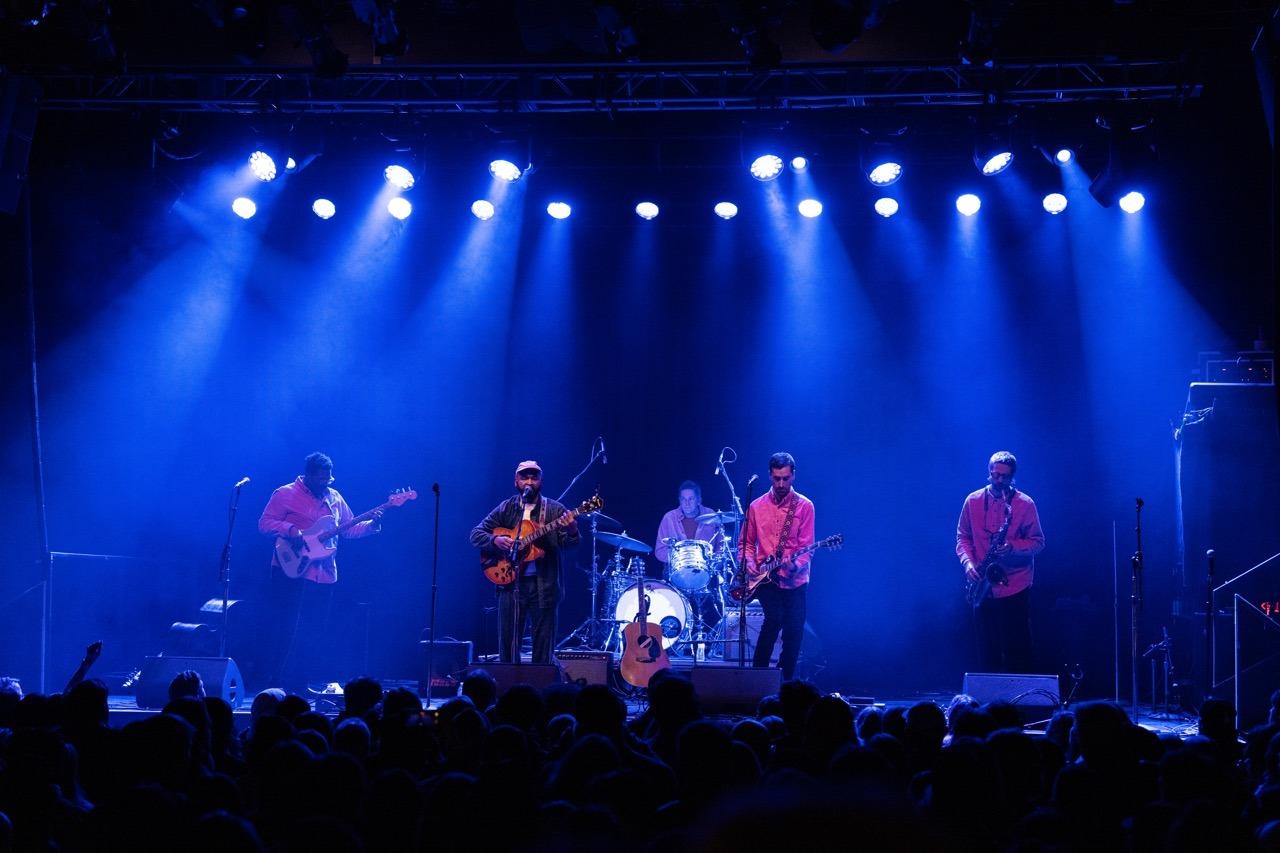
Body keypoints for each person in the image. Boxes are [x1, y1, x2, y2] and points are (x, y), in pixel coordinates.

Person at [258, 452, 382, 690]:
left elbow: (349, 529)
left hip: (323, 574)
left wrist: (372, 525)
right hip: (289, 569)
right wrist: (291, 530)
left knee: (313, 632)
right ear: (308, 475)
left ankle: (300, 683)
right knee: (285, 627)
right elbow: (264, 524)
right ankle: (275, 682)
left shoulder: (335, 498)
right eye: (321, 479)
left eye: (328, 479)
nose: (326, 483)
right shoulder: (285, 493)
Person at [470, 460, 579, 664]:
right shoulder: (506, 508)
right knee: (508, 646)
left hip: (544, 586)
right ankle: (508, 682)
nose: (529, 481)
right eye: (524, 477)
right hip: (510, 584)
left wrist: (572, 530)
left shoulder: (554, 510)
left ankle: (541, 683)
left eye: (534, 477)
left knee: (543, 648)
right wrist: (495, 540)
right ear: (516, 481)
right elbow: (475, 534)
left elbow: (569, 544)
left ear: (541, 481)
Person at [956, 450, 1046, 673]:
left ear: (1012, 477)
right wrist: (968, 563)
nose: (998, 480)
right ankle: (989, 692)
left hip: (1015, 584)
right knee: (987, 648)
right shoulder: (973, 500)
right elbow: (963, 537)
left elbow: (1038, 542)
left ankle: (1019, 692)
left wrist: (1012, 547)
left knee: (1018, 649)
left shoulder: (1025, 504)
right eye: (994, 475)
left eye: (1004, 476)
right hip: (982, 584)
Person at [740, 452, 815, 681]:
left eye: (785, 478)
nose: (781, 484)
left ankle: (784, 683)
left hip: (795, 580)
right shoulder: (756, 506)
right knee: (774, 619)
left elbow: (807, 547)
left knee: (794, 632)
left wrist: (795, 565)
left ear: (793, 475)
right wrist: (749, 563)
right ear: (770, 476)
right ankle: (758, 679)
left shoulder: (804, 506)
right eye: (776, 479)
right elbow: (745, 544)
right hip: (765, 578)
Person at [653, 480, 726, 563]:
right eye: (683, 499)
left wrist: (715, 562)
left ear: (699, 500)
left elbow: (721, 544)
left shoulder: (711, 515)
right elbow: (660, 551)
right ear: (679, 500)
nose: (687, 503)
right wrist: (679, 557)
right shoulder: (669, 518)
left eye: (691, 499)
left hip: (706, 567)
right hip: (678, 567)